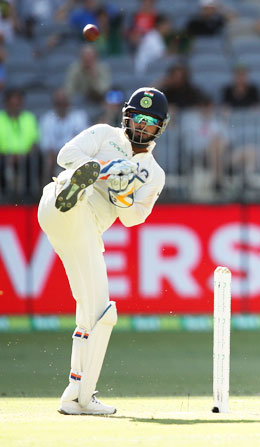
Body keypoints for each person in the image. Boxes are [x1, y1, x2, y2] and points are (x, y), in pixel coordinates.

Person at [37, 87, 170, 415]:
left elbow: (132, 217)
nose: (141, 126)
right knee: (73, 183)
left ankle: (77, 396)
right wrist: (104, 171)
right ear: (126, 116)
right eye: (137, 118)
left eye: (149, 122)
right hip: (58, 205)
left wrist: (121, 194)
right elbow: (64, 155)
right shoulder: (103, 134)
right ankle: (77, 185)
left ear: (160, 127)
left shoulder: (154, 174)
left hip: (82, 233)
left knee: (97, 312)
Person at [39, 88, 89, 185]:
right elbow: (45, 144)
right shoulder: (47, 119)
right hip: (54, 155)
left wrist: (69, 152)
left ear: (69, 103)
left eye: (64, 102)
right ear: (54, 104)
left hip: (74, 153)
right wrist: (57, 154)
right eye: (59, 103)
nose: (62, 106)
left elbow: (84, 139)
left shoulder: (79, 117)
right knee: (48, 160)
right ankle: (45, 190)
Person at [0, 88, 39, 193]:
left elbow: (34, 142)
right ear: (6, 104)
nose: (14, 107)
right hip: (4, 157)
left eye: (17, 104)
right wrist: (8, 155)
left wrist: (23, 155)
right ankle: (5, 196)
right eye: (12, 104)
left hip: (25, 157)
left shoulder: (29, 118)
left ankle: (29, 196)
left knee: (35, 160)